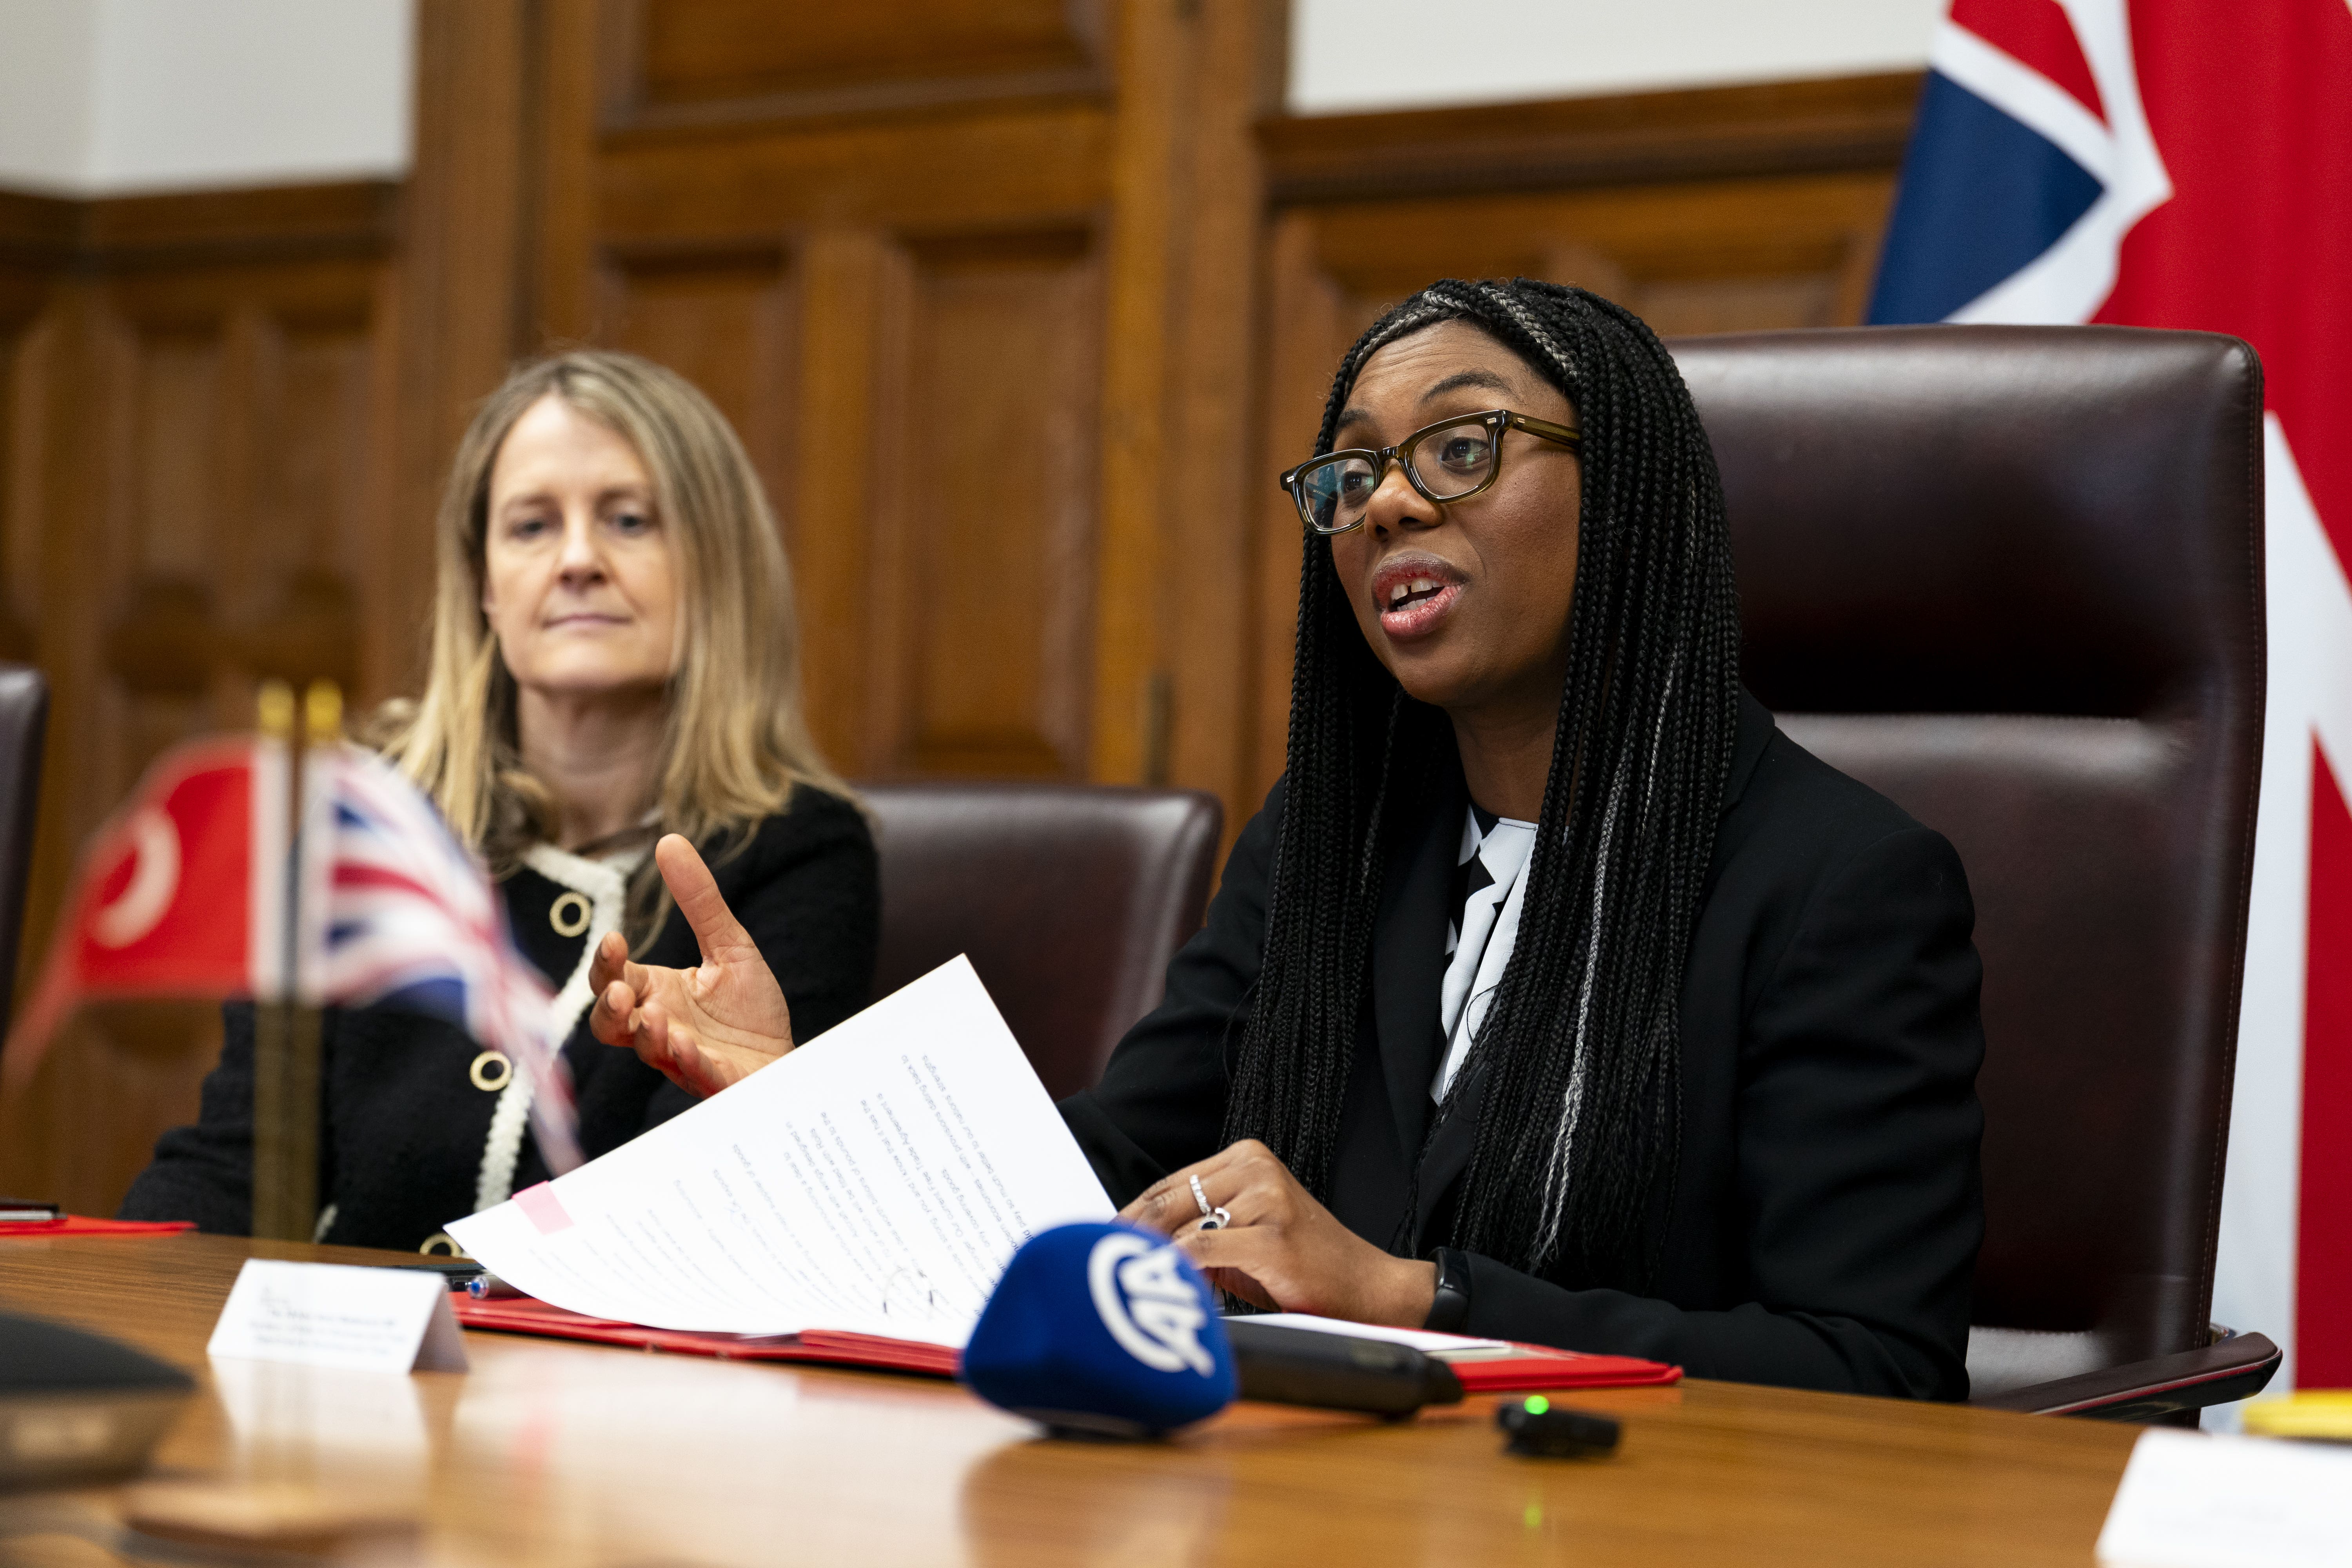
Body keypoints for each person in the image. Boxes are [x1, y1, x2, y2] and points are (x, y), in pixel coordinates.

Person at [588, 280, 1986, 1399]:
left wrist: (1417, 1300)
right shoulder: (1328, 849)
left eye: (1462, 445)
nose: (1384, 502)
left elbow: (1872, 1369)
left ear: (1624, 492)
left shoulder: (1839, 886)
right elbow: (1104, 1178)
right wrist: (811, 1102)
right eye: (1354, 472)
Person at [120, 351, 878, 1252]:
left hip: (604, 1384)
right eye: (530, 526)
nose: (578, 560)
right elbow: (234, 1161)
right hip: (333, 1371)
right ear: (484, 583)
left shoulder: (799, 854)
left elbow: (705, 1223)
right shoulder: (373, 829)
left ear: (716, 569)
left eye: (629, 520)